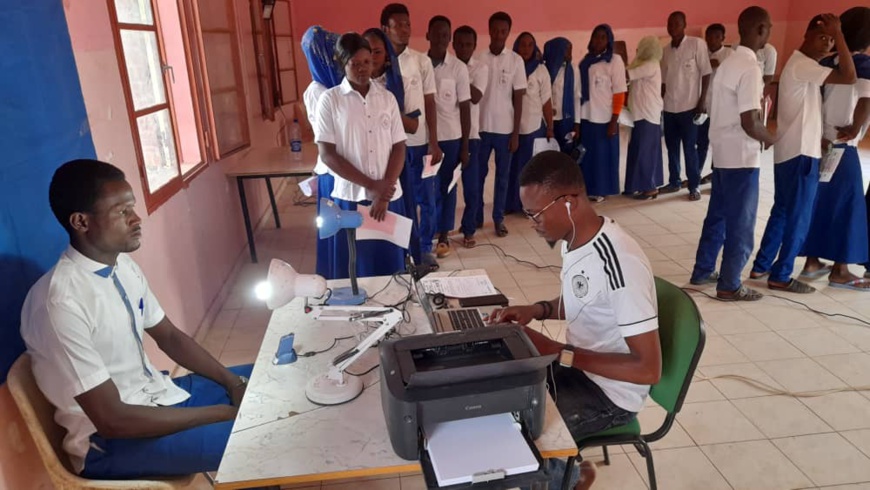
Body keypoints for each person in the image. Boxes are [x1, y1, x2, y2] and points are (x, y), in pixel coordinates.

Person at [20, 159, 253, 479]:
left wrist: (233, 383)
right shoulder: (60, 303)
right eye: (120, 211)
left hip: (157, 397)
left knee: (266, 380)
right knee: (257, 435)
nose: (136, 218)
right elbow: (113, 420)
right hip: (112, 444)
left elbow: (170, 336)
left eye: (131, 206)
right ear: (81, 222)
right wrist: (221, 413)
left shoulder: (121, 266)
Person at [490, 150, 661, 490]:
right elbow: (581, 301)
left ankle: (563, 478)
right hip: (580, 367)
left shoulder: (619, 263)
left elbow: (648, 369)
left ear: (569, 202)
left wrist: (559, 352)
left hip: (611, 394)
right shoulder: (574, 239)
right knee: (503, 390)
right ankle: (572, 473)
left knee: (524, 435)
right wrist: (536, 310)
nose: (533, 224)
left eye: (535, 215)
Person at [750, 14, 857, 294]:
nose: (828, 43)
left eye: (832, 39)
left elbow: (806, 107)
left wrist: (819, 134)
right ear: (806, 36)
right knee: (800, 216)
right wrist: (842, 35)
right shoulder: (803, 65)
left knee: (783, 211)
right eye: (823, 36)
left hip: (791, 152)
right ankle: (782, 275)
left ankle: (762, 265)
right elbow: (850, 76)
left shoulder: (801, 66)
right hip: (800, 155)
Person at [690, 6, 777, 301]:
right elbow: (750, 120)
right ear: (760, 29)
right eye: (769, 28)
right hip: (741, 156)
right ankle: (729, 284)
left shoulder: (727, 62)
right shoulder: (751, 67)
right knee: (742, 221)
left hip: (723, 153)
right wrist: (772, 138)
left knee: (718, 216)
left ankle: (703, 270)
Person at [315, 33, 408, 278]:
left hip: (388, 198)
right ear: (342, 64)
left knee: (391, 269)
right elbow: (327, 155)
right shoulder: (330, 100)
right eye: (354, 64)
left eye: (366, 62)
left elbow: (399, 146)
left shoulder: (387, 98)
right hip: (351, 199)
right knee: (357, 268)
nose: (362, 69)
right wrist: (373, 186)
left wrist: (384, 190)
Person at [800, 6, 870, 291]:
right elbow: (866, 98)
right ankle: (840, 270)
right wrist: (856, 127)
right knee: (847, 208)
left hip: (823, 142)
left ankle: (812, 261)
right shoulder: (863, 64)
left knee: (819, 203)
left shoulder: (827, 62)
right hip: (845, 145)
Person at [381, 3, 442, 268]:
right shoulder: (378, 61)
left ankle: (425, 247)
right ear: (386, 28)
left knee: (426, 198)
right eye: (399, 24)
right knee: (399, 199)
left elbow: (430, 103)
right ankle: (401, 248)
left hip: (419, 144)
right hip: (391, 148)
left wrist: (434, 141)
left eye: (408, 24)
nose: (405, 29)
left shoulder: (421, 61)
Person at [363, 27, 422, 269]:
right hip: (365, 161)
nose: (372, 58)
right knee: (368, 220)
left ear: (387, 54)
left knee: (400, 212)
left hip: (395, 159)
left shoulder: (400, 83)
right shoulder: (352, 85)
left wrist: (385, 108)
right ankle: (373, 265)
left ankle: (403, 262)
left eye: (377, 51)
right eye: (367, 51)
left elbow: (414, 125)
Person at [476, 11, 527, 238]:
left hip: (506, 130)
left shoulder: (516, 61)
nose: (498, 34)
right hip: (481, 128)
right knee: (478, 175)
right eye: (495, 30)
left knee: (503, 177)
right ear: (489, 30)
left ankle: (498, 219)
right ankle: (476, 216)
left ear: (508, 32)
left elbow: (518, 98)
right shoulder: (478, 59)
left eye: (503, 31)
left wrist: (516, 133)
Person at [427, 15, 471, 259]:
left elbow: (465, 107)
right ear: (428, 35)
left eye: (446, 34)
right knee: (426, 188)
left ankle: (444, 234)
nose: (442, 38)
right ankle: (428, 232)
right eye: (437, 33)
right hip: (424, 140)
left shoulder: (458, 68)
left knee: (448, 187)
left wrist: (464, 146)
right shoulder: (419, 64)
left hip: (452, 139)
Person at [302, 25, 343, 280]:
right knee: (336, 226)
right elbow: (333, 135)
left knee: (341, 225)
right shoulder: (320, 91)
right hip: (333, 169)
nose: (337, 62)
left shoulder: (331, 87)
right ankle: (336, 274)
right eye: (334, 56)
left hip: (338, 167)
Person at [659, 11, 713, 201]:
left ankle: (694, 185)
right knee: (671, 147)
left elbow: (706, 73)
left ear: (684, 25)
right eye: (670, 23)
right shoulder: (665, 51)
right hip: (670, 108)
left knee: (690, 148)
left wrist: (702, 101)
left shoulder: (696, 44)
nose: (672, 27)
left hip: (690, 107)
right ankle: (674, 181)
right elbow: (664, 81)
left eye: (676, 23)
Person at [578, 24, 627, 202]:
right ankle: (588, 188)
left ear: (609, 40)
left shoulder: (614, 61)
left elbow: (619, 92)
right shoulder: (586, 61)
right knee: (588, 155)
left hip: (605, 117)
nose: (598, 40)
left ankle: (602, 189)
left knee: (603, 156)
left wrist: (614, 120)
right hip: (586, 116)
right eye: (595, 37)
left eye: (602, 37)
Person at [506, 32, 553, 214]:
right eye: (522, 45)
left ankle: (530, 206)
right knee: (512, 169)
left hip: (533, 128)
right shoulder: (511, 67)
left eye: (530, 45)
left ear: (535, 48)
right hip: (512, 127)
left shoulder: (541, 70)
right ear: (516, 46)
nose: (525, 49)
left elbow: (546, 101)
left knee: (531, 171)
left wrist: (550, 127)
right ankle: (510, 204)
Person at [453, 25, 489, 249]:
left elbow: (474, 97)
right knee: (445, 187)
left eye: (469, 44)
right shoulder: (446, 66)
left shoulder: (481, 68)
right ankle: (443, 228)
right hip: (450, 134)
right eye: (460, 44)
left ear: (475, 46)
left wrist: (457, 76)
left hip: (472, 135)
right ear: (453, 45)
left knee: (472, 187)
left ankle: (468, 229)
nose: (464, 48)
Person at [624, 36, 665, 200]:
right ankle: (637, 185)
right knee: (639, 149)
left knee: (645, 151)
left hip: (647, 114)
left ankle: (649, 188)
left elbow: (627, 75)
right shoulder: (644, 64)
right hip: (641, 113)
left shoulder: (650, 64)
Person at [698, 23, 732, 185]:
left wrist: (719, 65)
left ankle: (715, 174)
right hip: (703, 106)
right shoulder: (701, 53)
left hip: (722, 108)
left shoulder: (729, 54)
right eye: (709, 37)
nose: (712, 40)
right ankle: (694, 174)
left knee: (719, 144)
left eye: (716, 37)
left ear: (723, 38)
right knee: (701, 142)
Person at [544, 37, 581, 154]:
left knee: (566, 151)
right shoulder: (545, 69)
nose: (570, 54)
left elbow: (576, 97)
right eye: (567, 50)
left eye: (571, 50)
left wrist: (577, 124)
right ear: (557, 50)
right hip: (547, 120)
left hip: (566, 120)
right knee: (549, 152)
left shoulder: (573, 69)